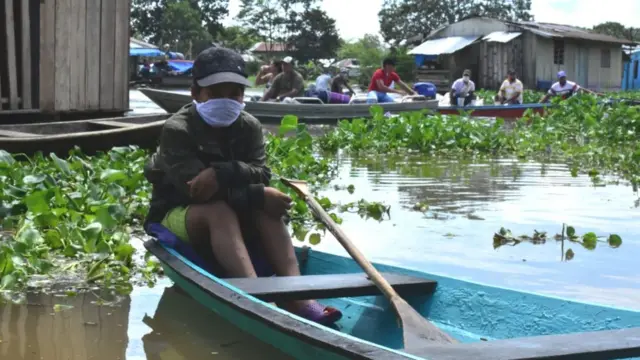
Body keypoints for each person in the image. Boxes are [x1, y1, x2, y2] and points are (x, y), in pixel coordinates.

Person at [142, 46, 342, 325]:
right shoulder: (178, 129)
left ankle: (299, 297)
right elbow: (196, 192)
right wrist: (255, 191)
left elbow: (261, 173)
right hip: (179, 213)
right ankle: (258, 298)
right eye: (214, 93)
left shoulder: (248, 125)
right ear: (195, 93)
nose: (226, 101)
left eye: (234, 93)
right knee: (220, 210)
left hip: (230, 210)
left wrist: (221, 173)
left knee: (267, 209)